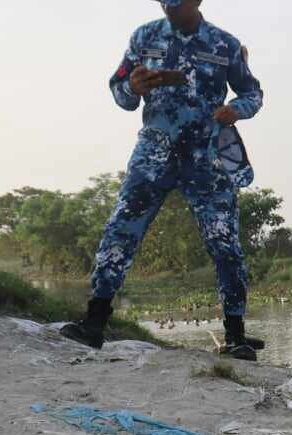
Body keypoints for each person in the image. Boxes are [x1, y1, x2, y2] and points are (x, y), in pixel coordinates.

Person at [60, 0, 265, 360]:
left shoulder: (225, 44)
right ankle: (94, 323)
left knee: (225, 245)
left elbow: (252, 93)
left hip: (207, 157)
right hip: (153, 155)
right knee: (121, 231)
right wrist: (133, 88)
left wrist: (236, 111)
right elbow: (120, 93)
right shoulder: (145, 36)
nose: (170, 7)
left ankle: (236, 337)